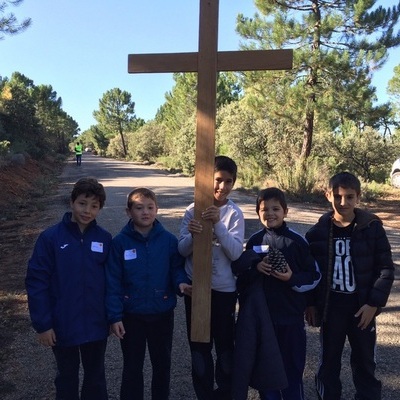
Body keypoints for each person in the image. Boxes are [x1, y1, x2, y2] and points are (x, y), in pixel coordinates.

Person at [305, 172, 394, 400]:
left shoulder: (371, 228)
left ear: (358, 197)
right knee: (329, 361)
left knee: (365, 361)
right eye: (337, 196)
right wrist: (311, 305)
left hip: (362, 308)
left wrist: (373, 304)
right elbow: (311, 275)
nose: (343, 202)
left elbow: (385, 269)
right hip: (331, 308)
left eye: (349, 197)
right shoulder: (317, 233)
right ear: (328, 195)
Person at [25, 177, 112, 400]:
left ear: (100, 208)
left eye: (94, 206)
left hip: (96, 324)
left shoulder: (104, 238)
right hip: (63, 324)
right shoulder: (50, 238)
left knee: (95, 378)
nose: (87, 210)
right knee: (66, 377)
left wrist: (113, 316)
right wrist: (43, 324)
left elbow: (113, 281)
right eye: (82, 203)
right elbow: (37, 282)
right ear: (72, 202)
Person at [233, 187, 320, 400]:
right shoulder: (254, 241)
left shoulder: (296, 242)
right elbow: (240, 274)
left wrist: (291, 279)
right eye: (264, 209)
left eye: (275, 209)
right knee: (266, 370)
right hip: (263, 321)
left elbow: (314, 276)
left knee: (292, 368)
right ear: (257, 212)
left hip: (290, 320)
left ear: (285, 212)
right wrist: (256, 268)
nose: (270, 213)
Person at [105, 187, 190, 400]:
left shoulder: (169, 240)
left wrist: (181, 283)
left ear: (157, 210)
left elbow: (176, 269)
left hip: (161, 314)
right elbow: (113, 281)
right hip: (131, 315)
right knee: (132, 367)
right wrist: (115, 316)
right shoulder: (119, 243)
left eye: (150, 207)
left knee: (162, 365)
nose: (145, 212)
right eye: (139, 208)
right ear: (128, 212)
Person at [178, 155, 245, 400]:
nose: (222, 187)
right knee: (199, 348)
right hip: (196, 291)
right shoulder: (191, 210)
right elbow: (181, 250)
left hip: (224, 291)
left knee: (226, 347)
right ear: (208, 180)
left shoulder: (234, 213)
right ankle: (204, 394)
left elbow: (236, 252)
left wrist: (218, 225)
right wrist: (193, 237)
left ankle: (225, 393)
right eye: (218, 180)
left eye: (229, 181)